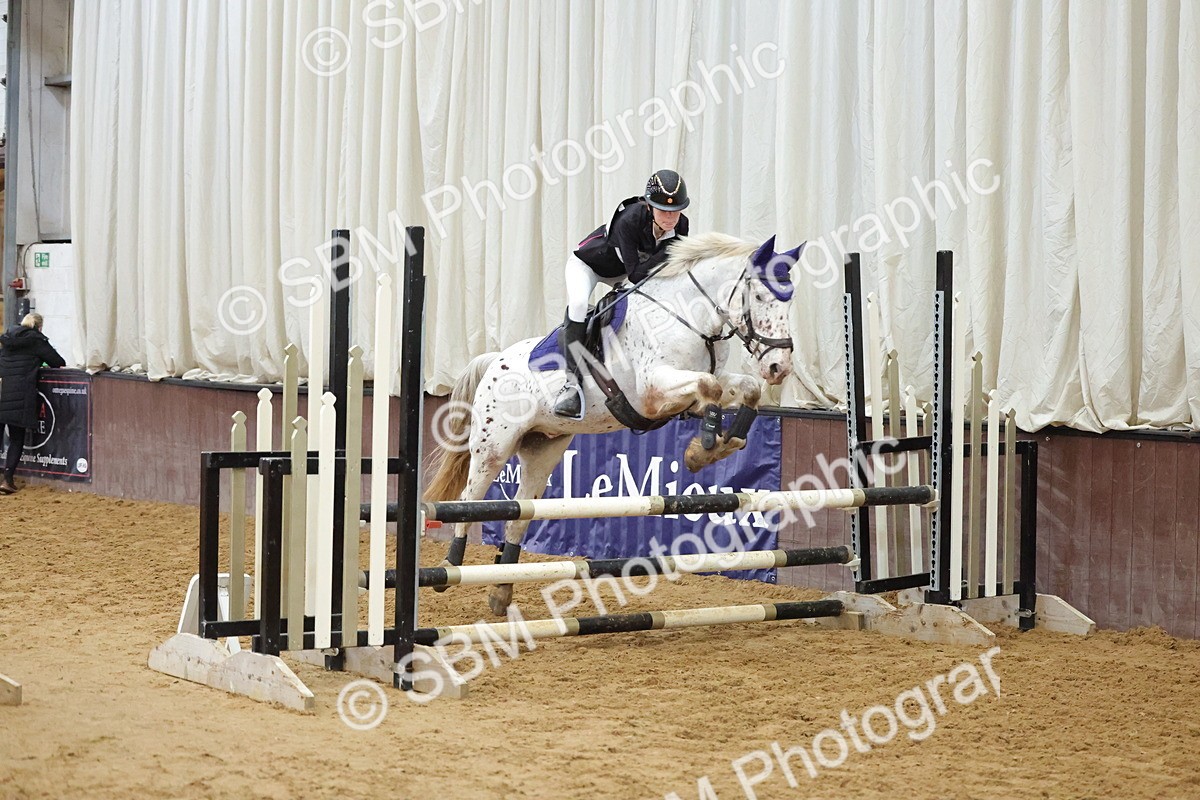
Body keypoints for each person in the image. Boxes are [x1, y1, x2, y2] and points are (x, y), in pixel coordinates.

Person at [554, 168, 692, 418]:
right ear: (649, 207)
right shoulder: (629, 220)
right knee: (577, 304)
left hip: (624, 276)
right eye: (662, 211)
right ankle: (571, 386)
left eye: (675, 211)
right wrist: (671, 251)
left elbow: (666, 271)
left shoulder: (681, 226)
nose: (670, 218)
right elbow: (638, 275)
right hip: (590, 266)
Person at [0, 312, 66, 494]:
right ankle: (7, 480)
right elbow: (57, 362)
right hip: (20, 395)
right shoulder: (37, 340)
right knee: (16, 439)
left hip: (1, 390)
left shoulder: (7, 340)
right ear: (39, 326)